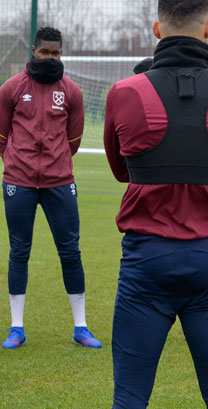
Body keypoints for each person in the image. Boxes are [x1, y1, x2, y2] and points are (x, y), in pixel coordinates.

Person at [104, 1, 208, 407]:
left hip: (145, 264)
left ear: (157, 28)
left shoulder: (123, 93)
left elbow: (122, 171)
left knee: (129, 397)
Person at [0, 26, 101, 349]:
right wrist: (19, 163)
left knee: (70, 251)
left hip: (60, 183)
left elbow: (73, 140)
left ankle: (81, 327)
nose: (51, 58)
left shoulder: (71, 91)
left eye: (56, 53)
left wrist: (55, 165)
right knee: (20, 251)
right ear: (33, 51)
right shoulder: (11, 88)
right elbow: (2, 136)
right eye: (45, 52)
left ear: (61, 53)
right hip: (19, 181)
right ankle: (17, 328)